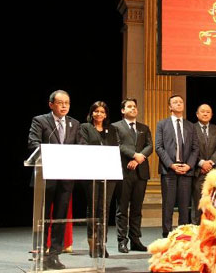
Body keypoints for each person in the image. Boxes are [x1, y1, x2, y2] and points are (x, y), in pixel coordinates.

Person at [27, 90, 81, 270]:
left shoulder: (75, 124)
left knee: (60, 217)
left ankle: (54, 255)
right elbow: (33, 143)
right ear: (51, 105)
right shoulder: (40, 121)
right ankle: (40, 252)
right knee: (43, 217)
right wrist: (53, 155)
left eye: (67, 102)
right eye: (60, 103)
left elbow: (80, 147)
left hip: (65, 179)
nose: (64, 106)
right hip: (46, 177)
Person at [112, 98, 153, 253]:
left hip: (140, 172)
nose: (133, 109)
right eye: (129, 106)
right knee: (122, 208)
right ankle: (122, 241)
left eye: (135, 106)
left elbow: (150, 145)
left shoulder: (144, 127)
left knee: (137, 209)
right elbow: (117, 144)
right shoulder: (115, 127)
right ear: (123, 110)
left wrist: (139, 158)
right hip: (124, 171)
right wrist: (134, 155)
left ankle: (135, 240)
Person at [155, 95, 199, 238]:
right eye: (175, 102)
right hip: (169, 170)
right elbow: (159, 147)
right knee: (168, 205)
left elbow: (195, 148)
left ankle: (183, 234)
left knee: (184, 206)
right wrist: (171, 165)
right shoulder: (162, 124)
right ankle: (166, 233)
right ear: (170, 106)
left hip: (186, 170)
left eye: (181, 102)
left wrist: (189, 165)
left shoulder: (190, 125)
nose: (179, 104)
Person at [80, 101, 119, 258]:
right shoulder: (85, 127)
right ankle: (92, 244)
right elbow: (83, 146)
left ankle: (102, 245)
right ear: (91, 113)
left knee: (105, 209)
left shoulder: (112, 129)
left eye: (102, 112)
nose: (99, 114)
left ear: (106, 114)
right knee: (93, 208)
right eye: (96, 111)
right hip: (91, 173)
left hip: (109, 173)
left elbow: (115, 147)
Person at [192, 104, 216, 225]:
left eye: (208, 112)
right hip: (198, 171)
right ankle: (197, 229)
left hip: (214, 171)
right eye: (203, 111)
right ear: (197, 114)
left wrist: (210, 163)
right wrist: (201, 163)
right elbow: (190, 149)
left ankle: (212, 231)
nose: (205, 114)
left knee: (214, 202)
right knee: (198, 202)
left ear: (211, 115)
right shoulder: (191, 128)